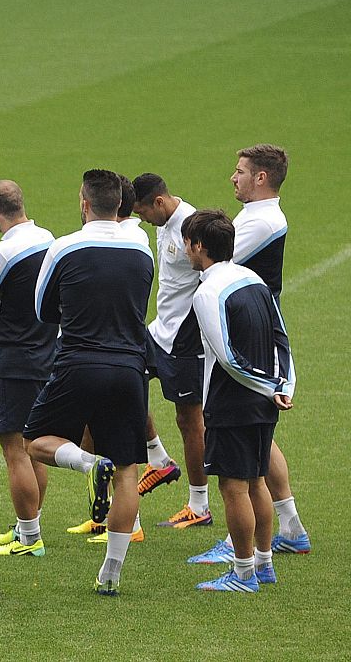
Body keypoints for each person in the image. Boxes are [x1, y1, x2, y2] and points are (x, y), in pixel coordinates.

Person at [22, 169, 154, 597]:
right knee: (129, 471)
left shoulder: (64, 246)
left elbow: (43, 309)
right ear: (121, 206)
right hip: (130, 367)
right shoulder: (142, 246)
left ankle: (86, 462)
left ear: (84, 203)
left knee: (34, 440)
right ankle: (111, 574)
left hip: (78, 360)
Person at [190, 143, 312, 563]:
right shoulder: (255, 215)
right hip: (252, 325)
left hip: (243, 331)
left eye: (240, 171)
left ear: (261, 177)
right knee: (260, 447)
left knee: (242, 465)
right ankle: (288, 528)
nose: (233, 177)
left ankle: (242, 551)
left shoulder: (263, 222)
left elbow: (216, 255)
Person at [185, 209, 295, 591]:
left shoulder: (207, 292)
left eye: (187, 243)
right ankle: (263, 565)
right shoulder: (254, 279)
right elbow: (282, 338)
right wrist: (284, 386)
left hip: (232, 403)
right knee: (257, 483)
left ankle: (244, 573)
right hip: (266, 402)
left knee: (233, 489)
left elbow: (228, 357)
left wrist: (268, 387)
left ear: (198, 246)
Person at [129, 174, 210, 528]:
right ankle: (159, 460)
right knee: (124, 384)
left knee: (189, 420)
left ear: (158, 202)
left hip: (186, 339)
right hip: (159, 330)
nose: (142, 219)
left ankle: (200, 504)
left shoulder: (192, 227)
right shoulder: (164, 221)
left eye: (143, 212)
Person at [0, 181, 54, 558]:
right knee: (34, 444)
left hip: (13, 356)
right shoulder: (49, 238)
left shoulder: (3, 252)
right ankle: (30, 524)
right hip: (48, 351)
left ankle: (29, 536)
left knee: (14, 448)